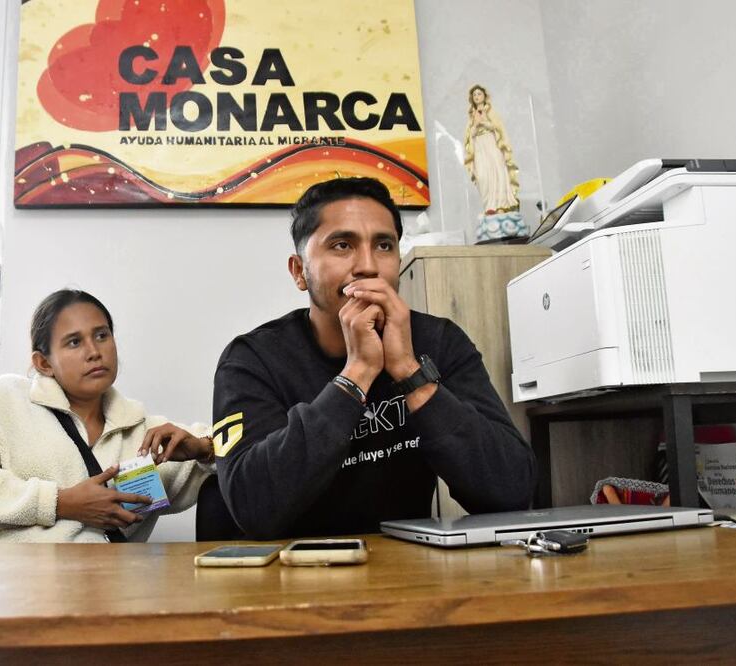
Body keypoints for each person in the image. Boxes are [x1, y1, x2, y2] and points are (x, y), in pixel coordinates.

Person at [211, 177, 536, 540]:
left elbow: (512, 492)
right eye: (341, 245)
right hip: (293, 573)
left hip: (407, 570)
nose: (367, 266)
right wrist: (358, 373)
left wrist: (409, 373)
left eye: (383, 245)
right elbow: (252, 507)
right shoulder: (252, 360)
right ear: (299, 271)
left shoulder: (439, 342)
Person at [0, 289, 215, 542]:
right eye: (74, 342)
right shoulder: (4, 401)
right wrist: (59, 502)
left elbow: (241, 456)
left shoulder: (147, 435)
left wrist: (204, 449)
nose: (94, 352)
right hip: (16, 587)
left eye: (102, 336)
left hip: (110, 591)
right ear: (43, 363)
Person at [463, 84, 521, 215]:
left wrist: (484, 122)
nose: (477, 96)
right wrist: (475, 126)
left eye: (479, 94)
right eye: (474, 95)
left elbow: (498, 128)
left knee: (498, 171)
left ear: (484, 96)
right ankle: (489, 205)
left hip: (492, 144)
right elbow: (468, 137)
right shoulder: (471, 117)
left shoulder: (491, 112)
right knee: (483, 176)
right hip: (478, 147)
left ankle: (500, 205)